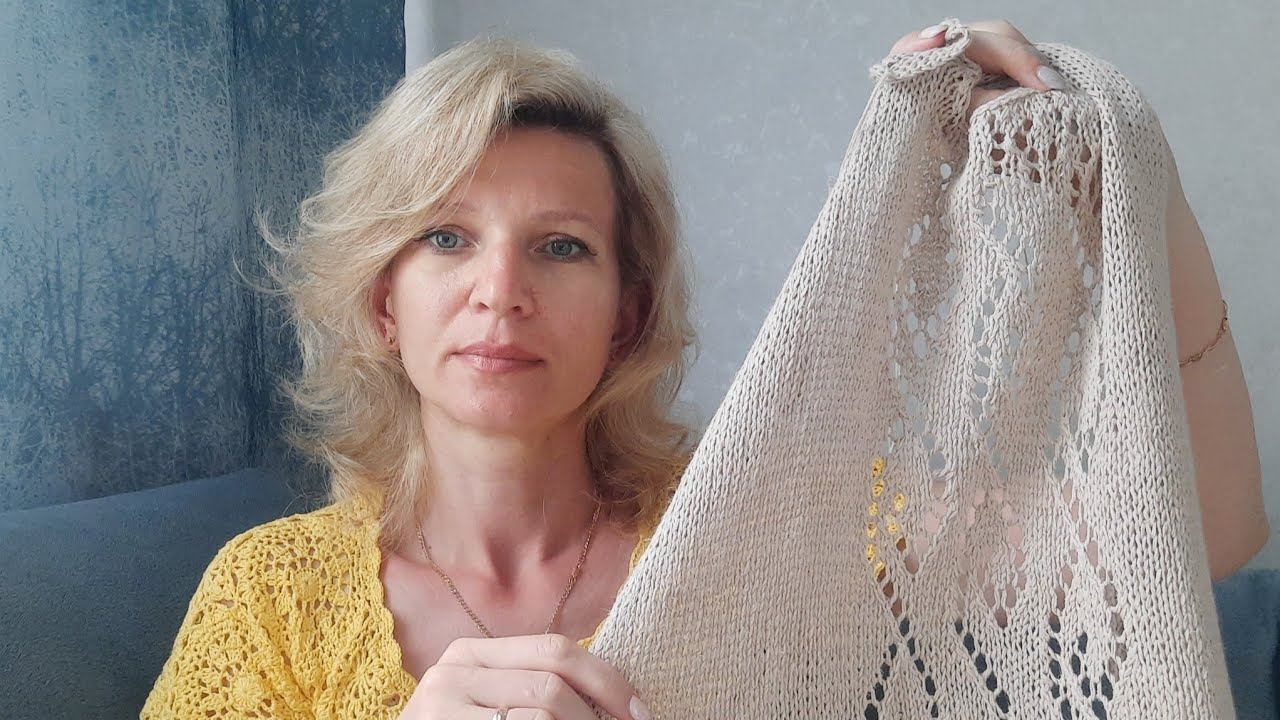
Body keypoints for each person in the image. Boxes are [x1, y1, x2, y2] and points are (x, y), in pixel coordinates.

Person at [140, 18, 1267, 720]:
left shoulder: (778, 528)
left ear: (627, 313)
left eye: (561, 247)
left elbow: (1206, 531)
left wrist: (1125, 174)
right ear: (384, 303)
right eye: (445, 238)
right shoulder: (268, 596)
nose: (500, 289)